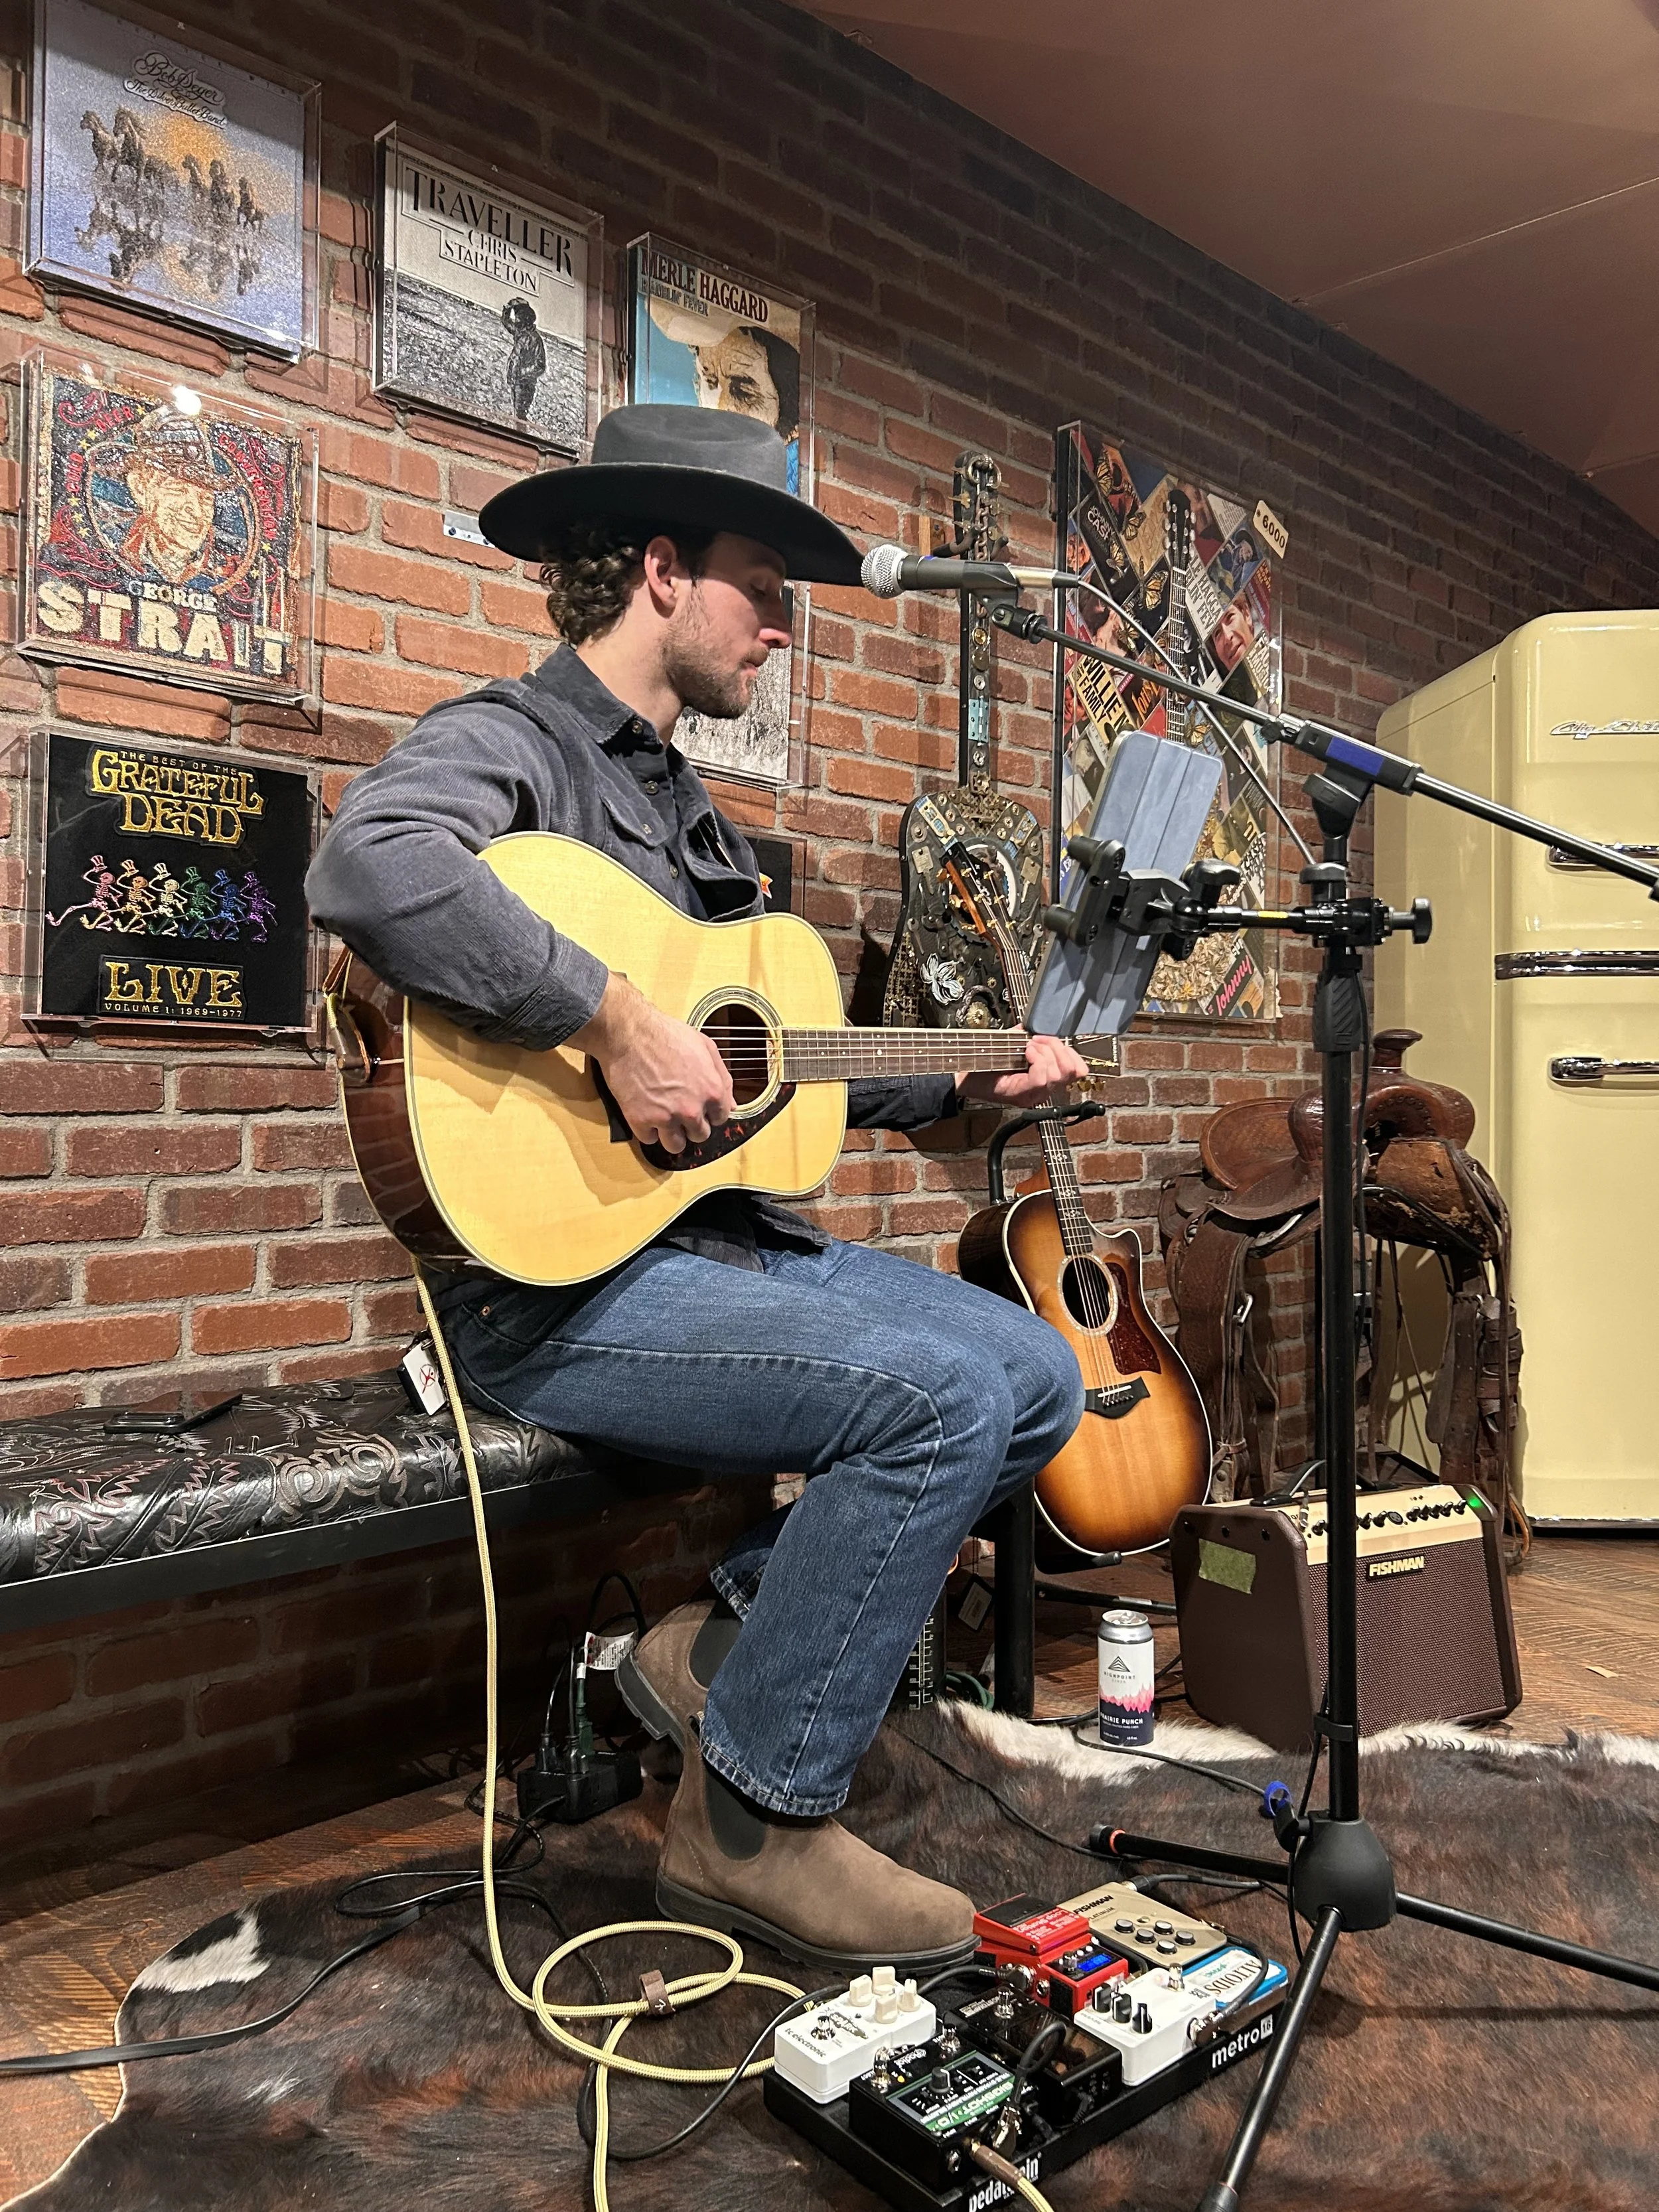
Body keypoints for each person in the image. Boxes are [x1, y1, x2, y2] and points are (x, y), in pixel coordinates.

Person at [306, 406, 1088, 1974]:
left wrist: (956, 1083)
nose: (786, 627)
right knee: (933, 1394)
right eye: (761, 582)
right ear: (659, 572)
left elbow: (763, 1057)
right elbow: (368, 865)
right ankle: (748, 1826)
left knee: (1034, 1372)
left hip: (713, 1250)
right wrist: (606, 1015)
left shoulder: (690, 810)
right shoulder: (511, 743)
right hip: (545, 1291)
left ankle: (714, 1651)